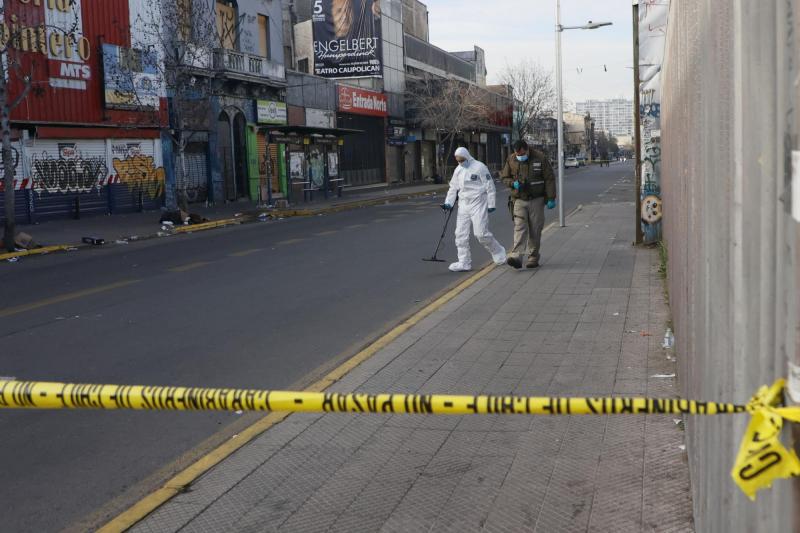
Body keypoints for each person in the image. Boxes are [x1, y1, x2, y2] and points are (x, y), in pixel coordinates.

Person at [441, 147, 507, 272]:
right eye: (458, 161)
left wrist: (491, 203)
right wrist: (448, 203)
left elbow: (490, 185)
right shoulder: (458, 170)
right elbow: (453, 188)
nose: (460, 162)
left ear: (467, 156)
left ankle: (498, 251)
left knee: (481, 234)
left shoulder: (479, 167)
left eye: (462, 160)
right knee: (460, 235)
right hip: (463, 205)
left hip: (478, 203)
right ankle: (464, 262)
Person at [500, 140, 556, 269]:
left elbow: (549, 178)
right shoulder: (511, 159)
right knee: (519, 227)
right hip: (519, 199)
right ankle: (516, 256)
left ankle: (533, 256)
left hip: (537, 199)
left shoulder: (540, 157)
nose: (519, 156)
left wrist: (551, 198)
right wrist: (512, 183)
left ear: (527, 149)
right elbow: (504, 177)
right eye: (517, 154)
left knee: (535, 230)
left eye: (522, 154)